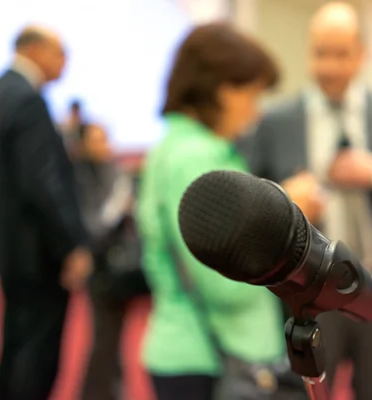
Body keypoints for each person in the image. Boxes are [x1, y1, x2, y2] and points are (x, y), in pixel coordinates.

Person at [239, 2, 372, 399]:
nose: (330, 67)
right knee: (308, 394)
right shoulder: (277, 120)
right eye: (321, 53)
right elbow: (249, 194)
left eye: (341, 54)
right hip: (307, 293)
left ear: (362, 54)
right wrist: (286, 198)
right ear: (307, 52)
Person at [137, 23, 285, 400]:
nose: (254, 113)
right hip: (207, 358)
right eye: (250, 96)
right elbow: (226, 284)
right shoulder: (195, 158)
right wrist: (277, 227)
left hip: (195, 350)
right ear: (221, 89)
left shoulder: (180, 147)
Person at [0, 26, 93, 400]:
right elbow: (44, 185)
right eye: (60, 53)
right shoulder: (27, 99)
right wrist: (72, 245)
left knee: (17, 342)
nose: (64, 63)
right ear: (36, 50)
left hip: (8, 247)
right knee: (37, 352)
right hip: (36, 253)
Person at [74, 123, 134, 400]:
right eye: (95, 140)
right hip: (100, 270)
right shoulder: (80, 177)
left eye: (104, 139)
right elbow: (94, 225)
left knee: (112, 338)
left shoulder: (114, 170)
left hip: (117, 267)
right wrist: (119, 204)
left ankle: (111, 390)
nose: (103, 145)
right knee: (104, 339)